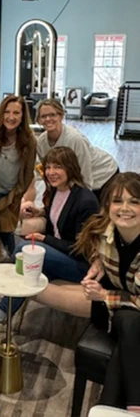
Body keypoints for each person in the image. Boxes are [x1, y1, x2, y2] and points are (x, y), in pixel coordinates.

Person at [0, 147, 100, 364]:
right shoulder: (57, 191)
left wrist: (44, 239)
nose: (51, 171)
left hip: (81, 265)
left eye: (57, 166)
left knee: (23, 251)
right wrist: (41, 213)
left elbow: (80, 247)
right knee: (27, 271)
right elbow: (57, 218)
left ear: (71, 168)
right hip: (62, 256)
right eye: (48, 166)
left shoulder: (85, 200)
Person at [76, 172, 140, 414]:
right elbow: (90, 243)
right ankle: (133, 407)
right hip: (123, 319)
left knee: (128, 320)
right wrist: (99, 261)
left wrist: (103, 295)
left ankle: (108, 407)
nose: (125, 208)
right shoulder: (105, 231)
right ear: (108, 206)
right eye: (117, 201)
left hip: (129, 316)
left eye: (134, 201)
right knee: (127, 321)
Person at [0, 94, 37, 255]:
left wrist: (16, 195)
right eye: (7, 112)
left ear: (23, 116)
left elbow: (28, 173)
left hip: (9, 193)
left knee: (6, 231)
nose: (11, 117)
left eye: (16, 113)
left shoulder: (29, 139)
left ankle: (15, 263)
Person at [36, 98, 118, 200]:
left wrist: (83, 200)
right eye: (43, 116)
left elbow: (85, 177)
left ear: (61, 116)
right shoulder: (41, 142)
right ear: (39, 120)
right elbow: (48, 172)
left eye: (53, 115)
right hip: (78, 178)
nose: (48, 119)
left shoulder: (75, 139)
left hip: (103, 175)